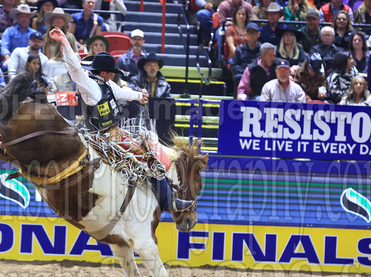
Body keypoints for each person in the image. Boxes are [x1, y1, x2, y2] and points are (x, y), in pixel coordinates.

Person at [49, 26, 195, 213]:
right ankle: (168, 203)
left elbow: (121, 92)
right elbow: (74, 67)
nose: (113, 74)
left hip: (114, 133)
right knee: (150, 158)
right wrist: (65, 43)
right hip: (104, 138)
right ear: (103, 73)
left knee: (147, 152)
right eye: (111, 71)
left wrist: (138, 96)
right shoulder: (89, 86)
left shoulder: (105, 83)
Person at [42, 7, 77, 77]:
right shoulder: (46, 36)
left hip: (66, 66)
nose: (58, 20)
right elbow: (45, 55)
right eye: (55, 18)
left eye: (60, 18)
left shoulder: (70, 37)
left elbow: (75, 54)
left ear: (64, 21)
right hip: (50, 66)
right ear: (52, 21)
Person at [231, 22, 260, 87]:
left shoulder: (263, 50)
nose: (252, 35)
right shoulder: (239, 50)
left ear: (259, 34)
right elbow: (233, 66)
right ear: (246, 35)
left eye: (254, 33)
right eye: (250, 33)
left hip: (259, 75)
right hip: (243, 74)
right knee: (238, 77)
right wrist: (245, 72)